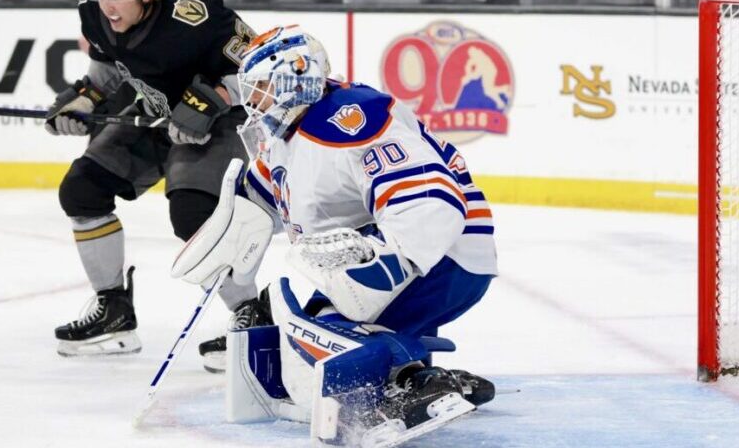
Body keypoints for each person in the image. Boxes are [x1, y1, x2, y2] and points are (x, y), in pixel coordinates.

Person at [171, 25, 498, 445]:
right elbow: (262, 199)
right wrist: (229, 248)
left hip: (445, 256)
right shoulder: (285, 131)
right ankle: (420, 370)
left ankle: (415, 384)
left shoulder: (350, 120)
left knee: (323, 338)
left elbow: (432, 200)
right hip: (404, 252)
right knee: (309, 331)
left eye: (263, 88)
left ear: (296, 80)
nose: (253, 101)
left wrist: (387, 263)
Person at [44, 0, 266, 360]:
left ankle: (251, 314)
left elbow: (262, 66)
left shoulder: (197, 14)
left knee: (192, 214)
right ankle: (114, 311)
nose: (107, 5)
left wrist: (214, 98)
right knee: (82, 190)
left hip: (222, 120)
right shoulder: (95, 13)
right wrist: (84, 98)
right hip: (158, 111)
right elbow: (109, 66)